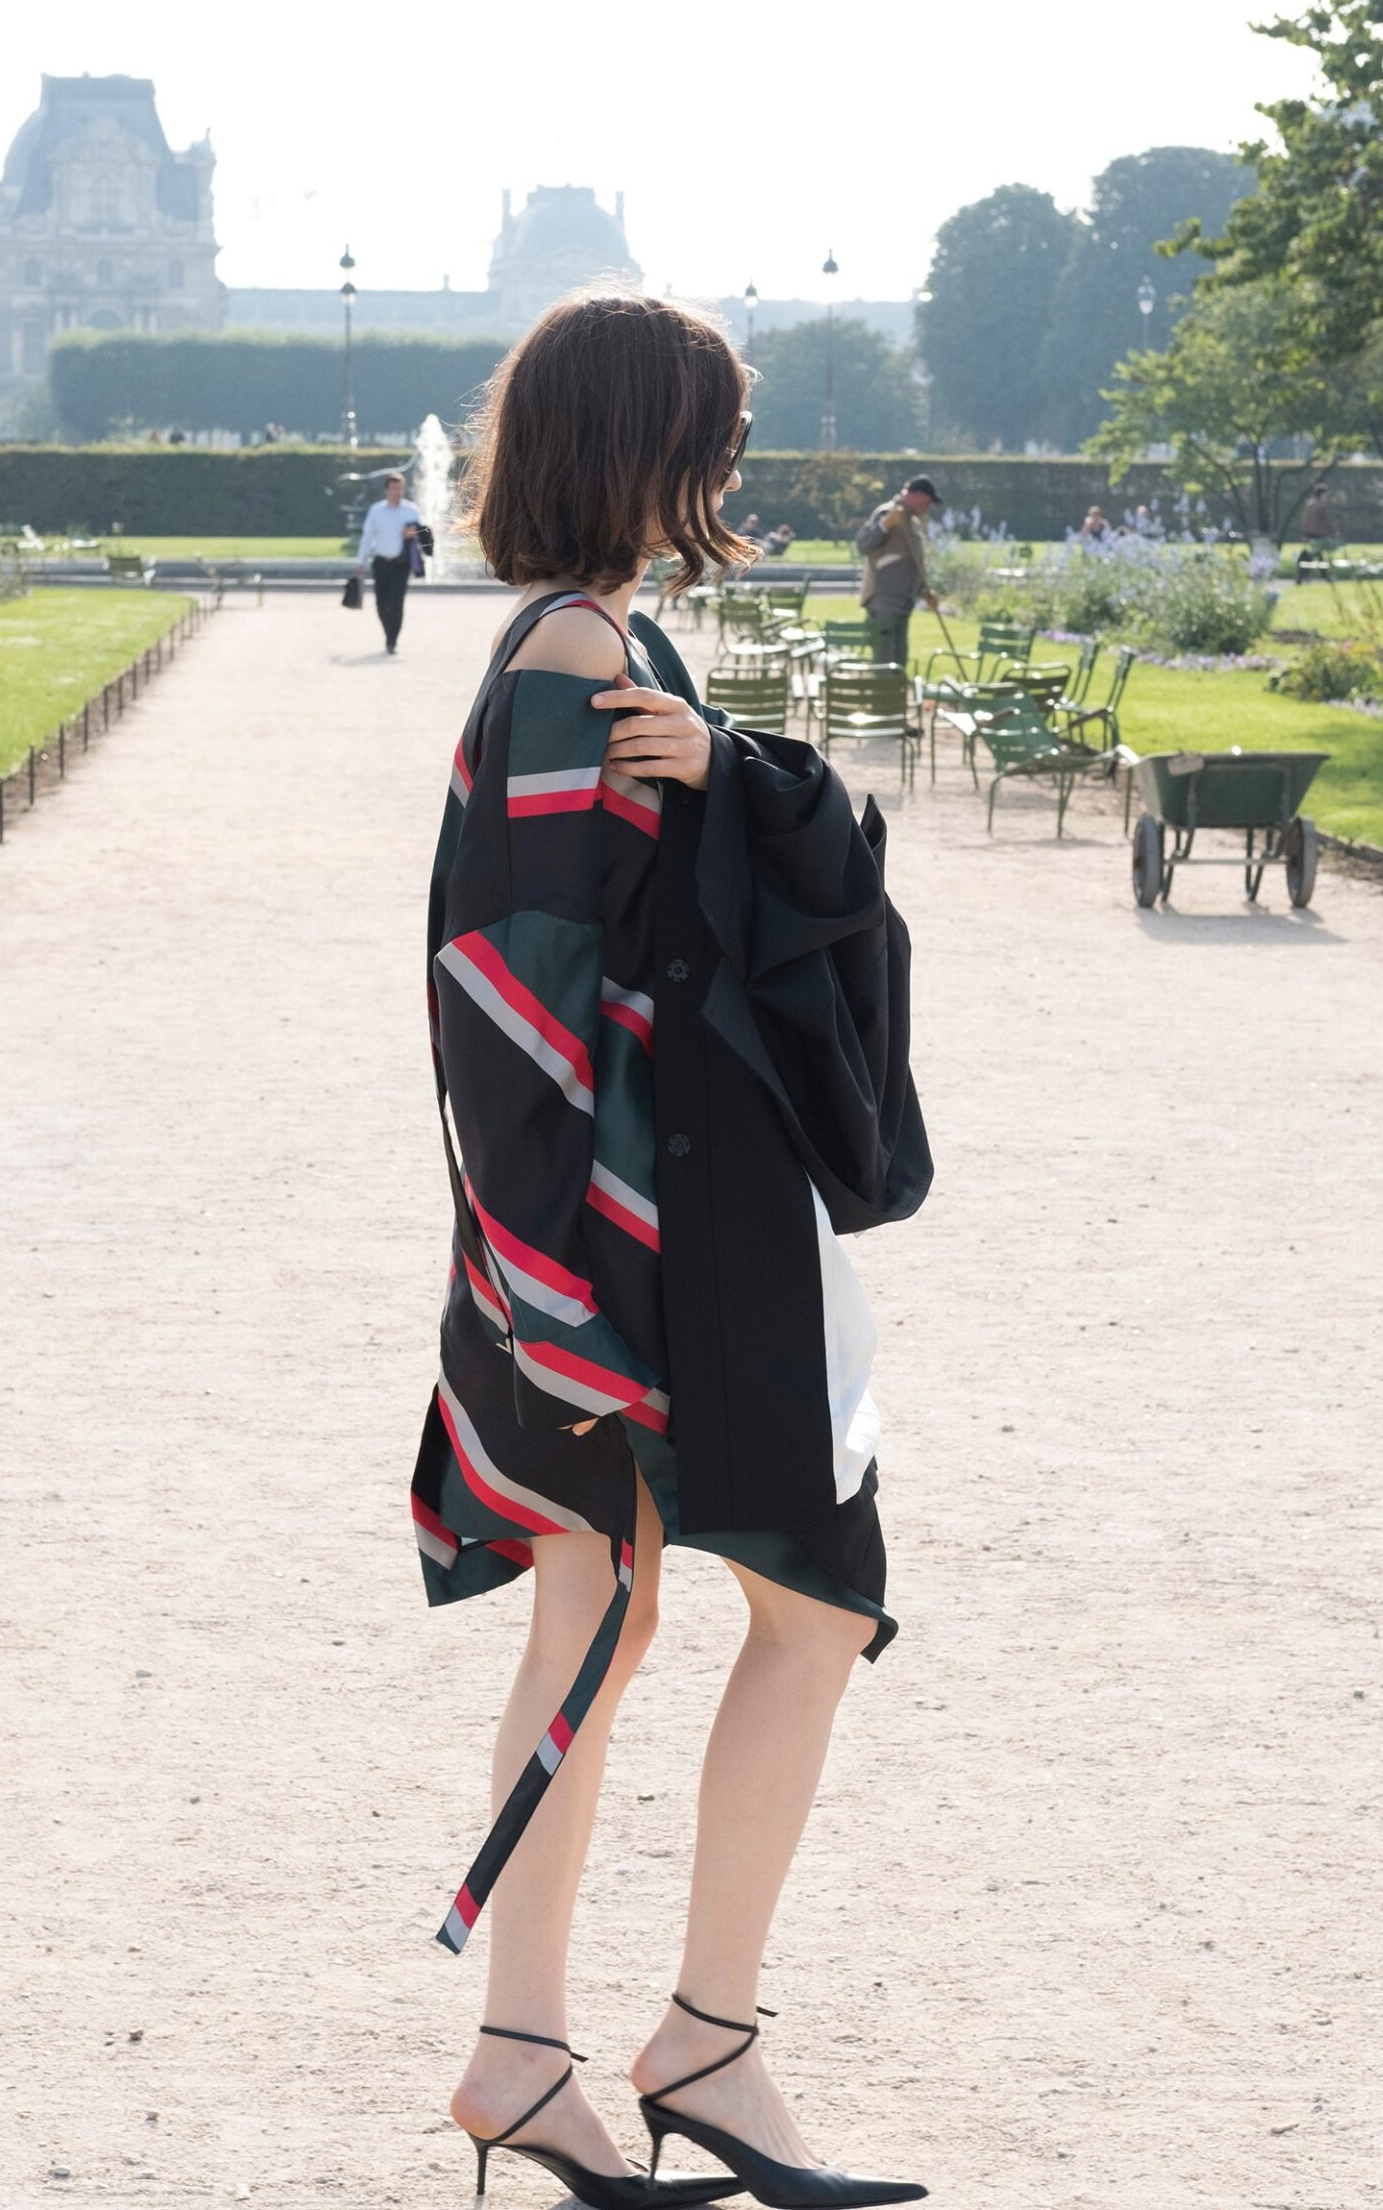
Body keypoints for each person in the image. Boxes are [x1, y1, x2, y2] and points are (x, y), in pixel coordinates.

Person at [412, 291, 933, 2209]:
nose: (727, 469)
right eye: (709, 434)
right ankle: (667, 2044)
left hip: (640, 1229)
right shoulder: (573, 656)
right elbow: (516, 995)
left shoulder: (600, 643)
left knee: (618, 1622)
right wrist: (561, 1296)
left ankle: (542, 2055)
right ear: (646, 445)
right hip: (632, 1252)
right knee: (774, 1608)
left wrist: (734, 781)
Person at [854, 475, 939, 670]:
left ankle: (896, 697)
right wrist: (884, 525)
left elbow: (910, 562)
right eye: (927, 501)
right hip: (884, 598)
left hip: (903, 600)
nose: (928, 507)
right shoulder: (887, 513)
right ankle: (882, 697)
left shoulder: (912, 521)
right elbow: (863, 544)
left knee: (899, 657)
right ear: (917, 495)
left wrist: (924, 591)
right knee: (884, 657)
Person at [358, 470, 423, 653]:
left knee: (397, 602)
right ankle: (389, 632)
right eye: (394, 488)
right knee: (381, 603)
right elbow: (368, 536)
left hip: (401, 563)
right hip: (381, 562)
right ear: (386, 490)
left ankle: (392, 640)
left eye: (400, 488)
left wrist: (414, 533)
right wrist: (361, 560)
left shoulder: (411, 510)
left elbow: (424, 535)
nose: (397, 491)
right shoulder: (376, 510)